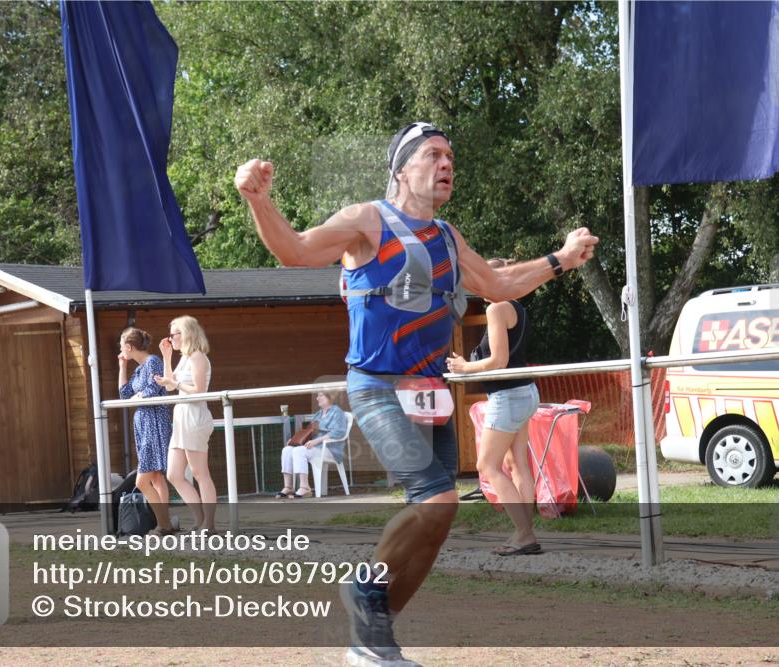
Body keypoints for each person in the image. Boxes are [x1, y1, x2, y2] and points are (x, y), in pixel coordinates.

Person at [235, 121, 598, 667]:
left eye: (451, 155)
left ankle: (372, 640)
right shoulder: (367, 220)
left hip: (432, 391)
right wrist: (259, 200)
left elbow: (499, 286)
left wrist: (559, 260)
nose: (447, 163)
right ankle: (363, 586)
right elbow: (296, 250)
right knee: (437, 498)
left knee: (436, 518)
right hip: (377, 386)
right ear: (402, 169)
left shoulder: (448, 237)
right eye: (434, 154)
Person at [446, 259, 541, 556]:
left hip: (508, 396)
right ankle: (526, 532)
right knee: (518, 464)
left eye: (480, 279)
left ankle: (524, 534)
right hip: (525, 391)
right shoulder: (517, 307)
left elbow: (498, 361)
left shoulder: (496, 309)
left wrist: (464, 367)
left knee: (487, 466)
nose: (476, 285)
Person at [155, 316, 217, 533]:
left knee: (200, 473)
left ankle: (209, 523)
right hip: (181, 416)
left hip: (194, 416)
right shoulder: (185, 358)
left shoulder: (198, 357)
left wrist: (176, 383)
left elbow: (199, 390)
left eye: (174, 334)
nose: (171, 338)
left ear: (186, 333)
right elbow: (170, 386)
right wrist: (167, 357)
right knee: (174, 474)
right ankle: (200, 519)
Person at [117, 327, 176, 536]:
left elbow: (153, 390)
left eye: (122, 345)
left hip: (154, 423)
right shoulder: (139, 368)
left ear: (130, 346)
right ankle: (164, 523)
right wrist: (122, 366)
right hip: (142, 424)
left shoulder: (152, 362)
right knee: (156, 478)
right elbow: (124, 394)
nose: (120, 348)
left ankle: (164, 523)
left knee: (143, 480)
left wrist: (137, 398)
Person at [278, 390, 348, 499]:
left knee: (299, 451)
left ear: (330, 397)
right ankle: (288, 486)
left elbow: (339, 432)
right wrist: (295, 440)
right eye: (317, 396)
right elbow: (310, 432)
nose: (317, 398)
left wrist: (317, 440)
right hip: (317, 448)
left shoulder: (337, 412)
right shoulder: (318, 414)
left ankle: (305, 488)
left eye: (320, 396)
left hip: (330, 449)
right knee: (287, 449)